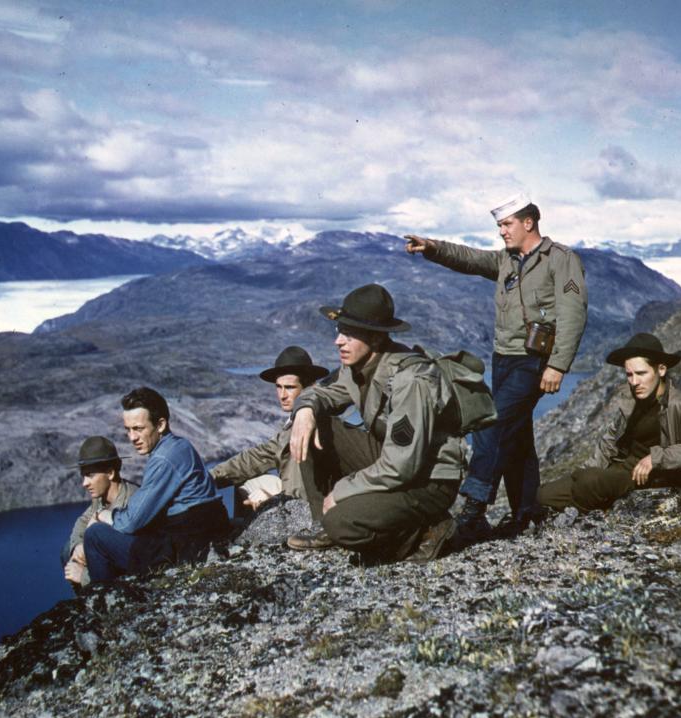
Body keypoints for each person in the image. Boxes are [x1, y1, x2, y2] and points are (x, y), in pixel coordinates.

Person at [405, 192, 588, 539]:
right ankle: (525, 514)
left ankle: (473, 510)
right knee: (517, 437)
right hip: (504, 359)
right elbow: (470, 259)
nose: (501, 231)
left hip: (534, 362)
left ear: (528, 222)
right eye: (499, 225)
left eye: (507, 224)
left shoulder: (560, 259)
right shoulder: (508, 260)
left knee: (491, 423)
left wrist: (558, 366)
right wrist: (432, 248)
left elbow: (572, 314)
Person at [288, 283, 469, 563]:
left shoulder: (410, 379)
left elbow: (401, 466)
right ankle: (322, 524)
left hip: (428, 482)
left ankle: (428, 528)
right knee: (314, 425)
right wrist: (305, 409)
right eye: (339, 331)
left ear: (374, 339)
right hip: (399, 463)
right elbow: (323, 392)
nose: (338, 341)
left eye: (349, 334)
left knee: (343, 524)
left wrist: (342, 490)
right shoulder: (357, 368)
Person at [538, 333, 681, 512]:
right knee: (543, 495)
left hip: (652, 476)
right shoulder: (630, 398)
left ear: (661, 369)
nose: (634, 382)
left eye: (641, 373)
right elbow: (610, 441)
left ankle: (594, 508)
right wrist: (586, 470)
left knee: (588, 482)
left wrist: (658, 458)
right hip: (621, 468)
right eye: (629, 374)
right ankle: (590, 496)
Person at [83, 387, 228, 583]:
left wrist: (102, 515)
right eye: (128, 429)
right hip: (198, 536)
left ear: (160, 425)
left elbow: (131, 521)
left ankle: (101, 599)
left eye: (139, 429)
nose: (132, 438)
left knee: (95, 535)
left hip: (185, 548)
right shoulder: (180, 445)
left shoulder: (164, 458)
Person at [210, 346, 329, 512]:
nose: (282, 395)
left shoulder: (313, 422)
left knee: (256, 492)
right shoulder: (293, 422)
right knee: (247, 483)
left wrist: (272, 499)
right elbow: (259, 455)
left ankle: (251, 533)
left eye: (290, 387)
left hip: (309, 504)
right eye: (279, 387)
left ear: (308, 387)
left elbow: (304, 487)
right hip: (293, 490)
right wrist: (210, 477)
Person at [62, 436, 138, 587]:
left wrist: (83, 576)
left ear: (110, 473)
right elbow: (82, 522)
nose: (84, 483)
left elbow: (131, 561)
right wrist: (77, 547)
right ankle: (90, 601)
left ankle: (101, 598)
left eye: (90, 475)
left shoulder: (134, 500)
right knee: (67, 550)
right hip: (112, 564)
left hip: (131, 569)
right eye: (83, 476)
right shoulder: (100, 499)